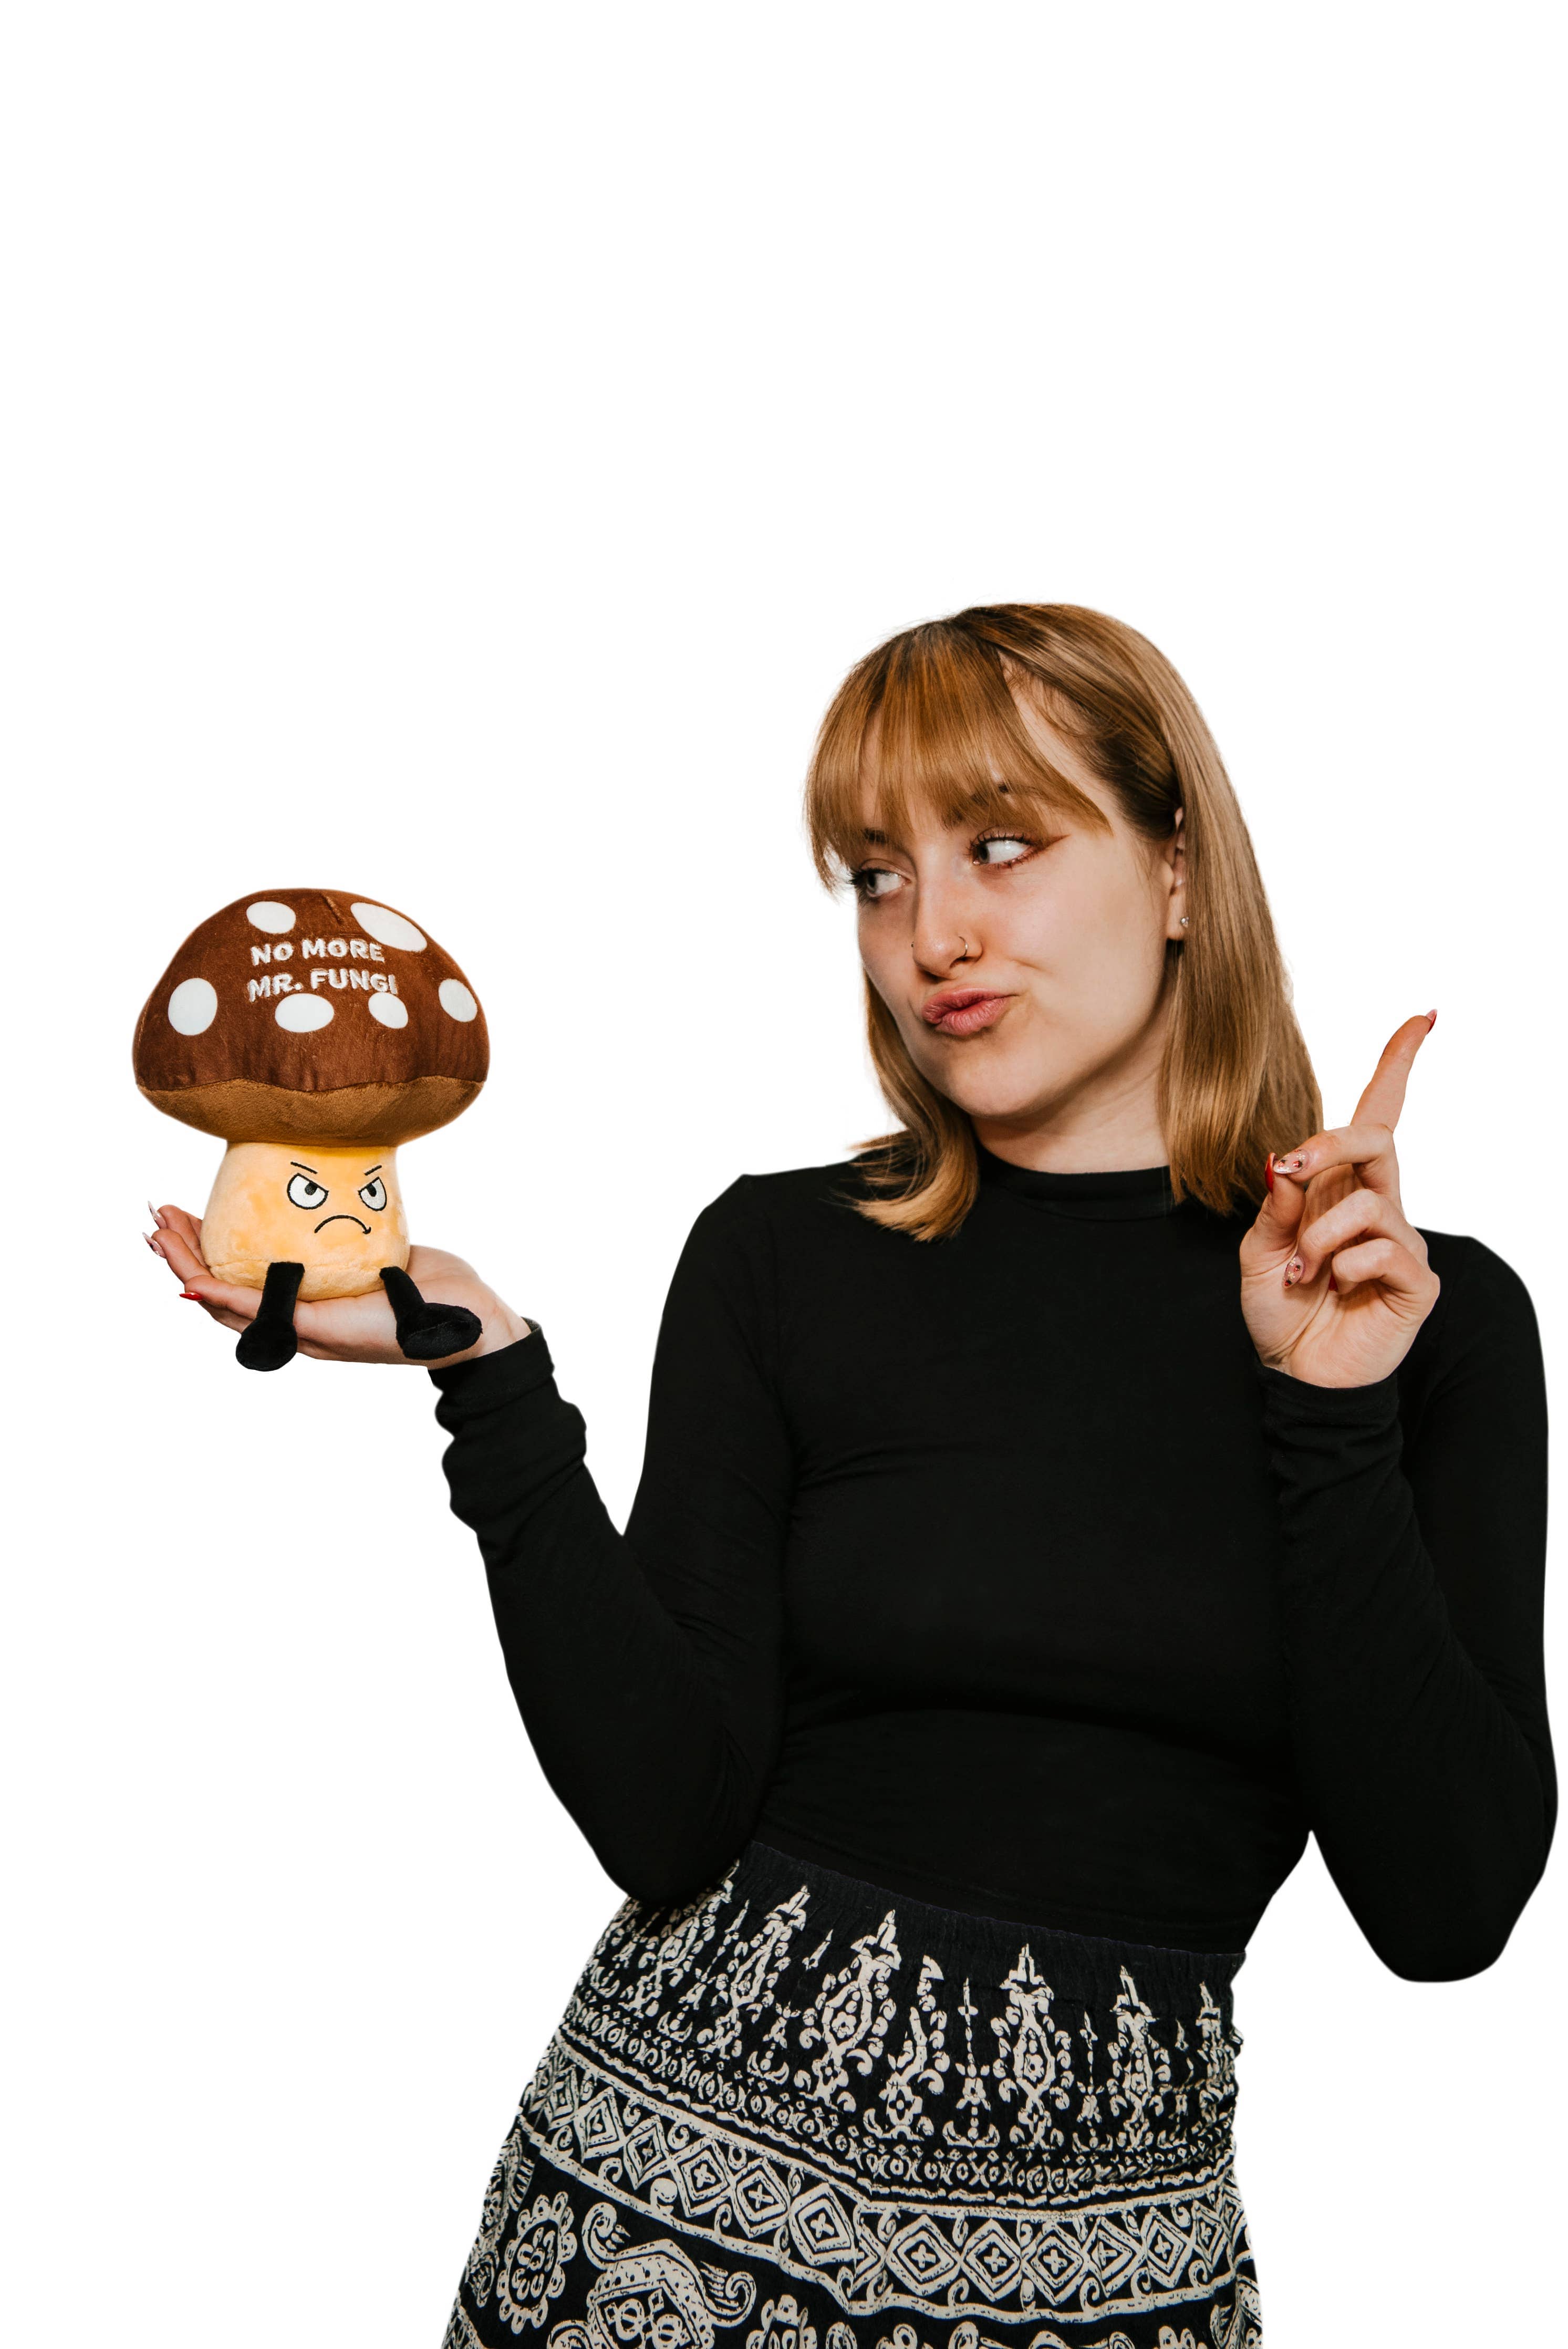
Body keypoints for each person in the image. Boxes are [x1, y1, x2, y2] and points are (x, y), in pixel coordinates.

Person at [149, 605, 1553, 2349]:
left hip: (1113, 2288)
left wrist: (1329, 1413)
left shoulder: (1421, 1319)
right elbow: (664, 1813)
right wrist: (495, 1393)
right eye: (875, 875)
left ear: (1179, 867)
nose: (930, 934)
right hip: (654, 2237)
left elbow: (1448, 1909)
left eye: (1002, 846)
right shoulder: (782, 1257)